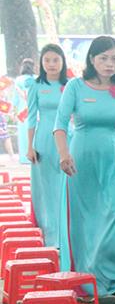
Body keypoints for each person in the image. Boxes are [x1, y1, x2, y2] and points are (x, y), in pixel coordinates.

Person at [54, 35, 115, 303]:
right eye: (104, 58)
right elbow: (60, 124)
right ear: (92, 59)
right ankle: (86, 282)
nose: (109, 63)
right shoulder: (75, 86)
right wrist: (64, 154)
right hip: (80, 164)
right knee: (85, 224)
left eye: (114, 58)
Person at [26, 44, 70, 270]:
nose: (51, 64)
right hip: (43, 141)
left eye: (55, 60)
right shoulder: (36, 85)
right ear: (41, 63)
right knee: (46, 190)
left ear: (62, 61)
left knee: (65, 188)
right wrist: (29, 146)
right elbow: (31, 117)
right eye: (47, 60)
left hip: (67, 140)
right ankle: (50, 237)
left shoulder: (70, 85)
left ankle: (65, 236)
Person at [13, 58, 36, 164]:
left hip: (22, 112)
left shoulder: (18, 80)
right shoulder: (36, 78)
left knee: (23, 134)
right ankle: (34, 155)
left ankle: (24, 157)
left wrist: (14, 111)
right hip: (34, 109)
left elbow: (15, 99)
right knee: (34, 133)